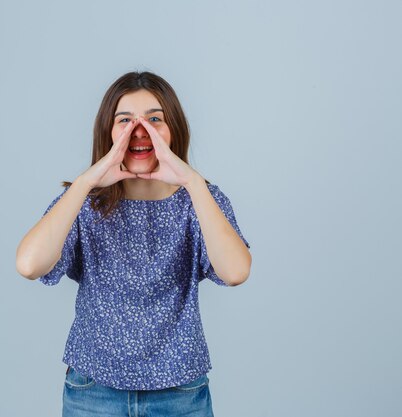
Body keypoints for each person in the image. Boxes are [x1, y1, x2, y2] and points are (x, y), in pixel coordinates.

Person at [16, 71, 252, 417]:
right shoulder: (85, 202)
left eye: (155, 119)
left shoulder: (200, 200)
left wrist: (192, 181)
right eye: (124, 121)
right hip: (93, 392)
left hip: (179, 393)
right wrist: (86, 182)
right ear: (107, 132)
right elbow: (29, 264)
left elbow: (235, 271)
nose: (139, 131)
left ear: (174, 129)